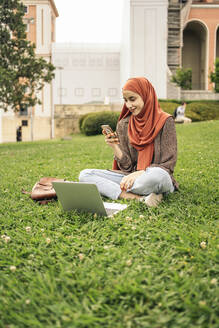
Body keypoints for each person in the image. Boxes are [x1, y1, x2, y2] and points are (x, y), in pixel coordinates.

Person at [79, 77, 178, 207]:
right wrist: (115, 147)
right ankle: (135, 197)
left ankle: (111, 189)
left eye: (132, 99)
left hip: (155, 177)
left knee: (157, 176)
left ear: (146, 95)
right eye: (125, 100)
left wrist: (142, 172)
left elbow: (168, 164)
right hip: (129, 177)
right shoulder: (123, 124)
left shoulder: (165, 121)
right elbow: (127, 167)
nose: (129, 105)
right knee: (85, 175)